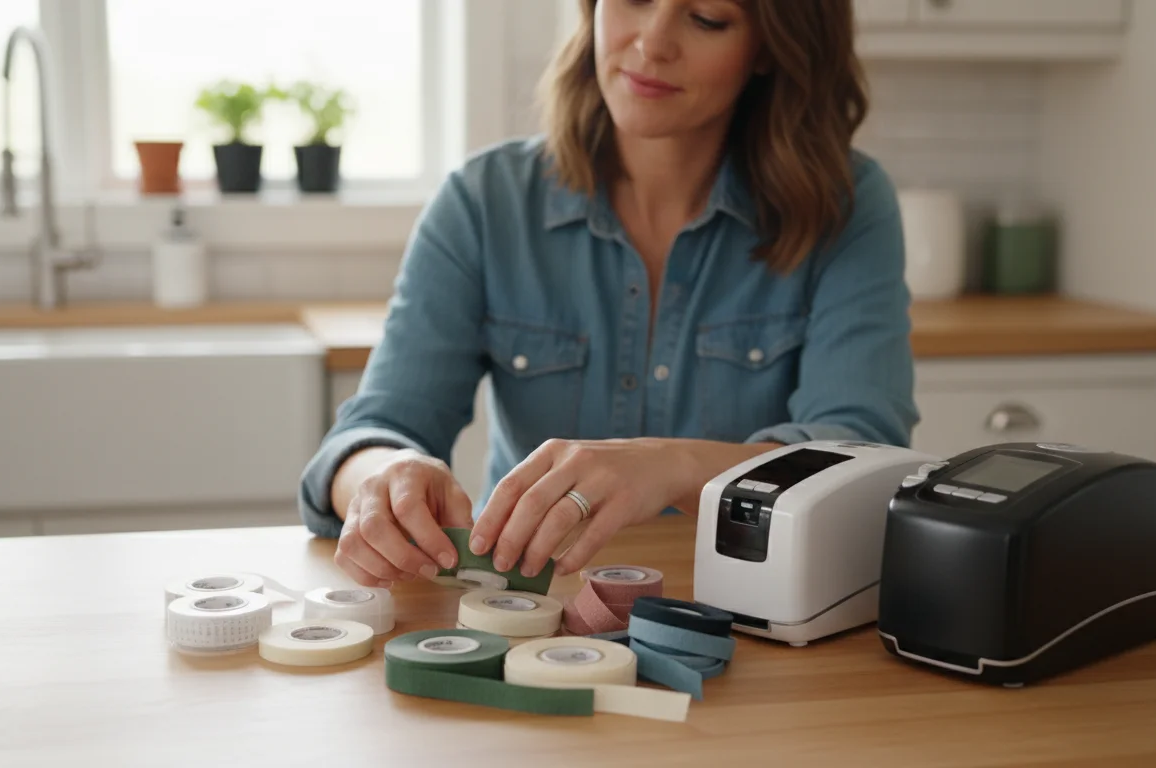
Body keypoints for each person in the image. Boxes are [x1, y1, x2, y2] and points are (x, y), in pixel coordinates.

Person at [297, 0, 918, 589]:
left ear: (769, 46)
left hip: (751, 612)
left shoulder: (848, 205)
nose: (651, 43)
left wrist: (670, 467)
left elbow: (861, 453)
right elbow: (375, 429)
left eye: (706, 19)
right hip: (528, 609)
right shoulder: (485, 202)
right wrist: (384, 479)